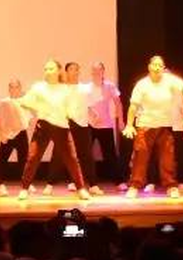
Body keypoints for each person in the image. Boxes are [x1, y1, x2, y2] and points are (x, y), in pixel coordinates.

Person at [122, 54, 183, 198]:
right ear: (149, 67)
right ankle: (135, 186)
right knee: (140, 156)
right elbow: (133, 106)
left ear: (163, 68)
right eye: (154, 65)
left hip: (165, 125)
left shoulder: (171, 80)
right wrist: (129, 124)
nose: (157, 68)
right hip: (145, 124)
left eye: (160, 65)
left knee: (167, 157)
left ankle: (171, 186)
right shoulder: (142, 84)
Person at [17, 59, 90, 201]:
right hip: (43, 125)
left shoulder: (64, 89)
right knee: (33, 158)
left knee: (72, 159)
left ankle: (81, 188)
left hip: (61, 126)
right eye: (45, 69)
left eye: (50, 69)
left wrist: (76, 115)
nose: (47, 71)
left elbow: (70, 109)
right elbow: (27, 100)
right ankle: (24, 188)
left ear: (58, 71)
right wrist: (28, 104)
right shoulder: (38, 87)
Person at [64, 61, 104, 196]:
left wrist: (94, 113)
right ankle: (71, 181)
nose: (75, 72)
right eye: (72, 69)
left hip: (82, 123)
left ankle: (93, 184)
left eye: (77, 69)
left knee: (86, 154)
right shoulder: (63, 89)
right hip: (67, 123)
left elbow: (89, 104)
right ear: (66, 72)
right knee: (69, 155)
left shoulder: (84, 88)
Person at [85, 61, 124, 190]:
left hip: (106, 124)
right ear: (91, 72)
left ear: (103, 71)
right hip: (89, 124)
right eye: (94, 70)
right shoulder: (87, 88)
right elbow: (84, 105)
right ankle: (77, 181)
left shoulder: (109, 86)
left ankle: (119, 181)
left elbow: (118, 103)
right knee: (84, 153)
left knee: (110, 154)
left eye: (99, 70)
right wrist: (91, 117)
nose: (96, 73)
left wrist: (121, 121)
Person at [0, 78, 33, 190]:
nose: (14, 89)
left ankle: (26, 183)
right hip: (7, 134)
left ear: (20, 88)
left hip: (21, 133)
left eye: (16, 87)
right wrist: (1, 134)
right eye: (11, 87)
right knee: (1, 159)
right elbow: (0, 119)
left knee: (24, 159)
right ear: (9, 89)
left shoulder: (24, 102)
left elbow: (28, 118)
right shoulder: (4, 102)